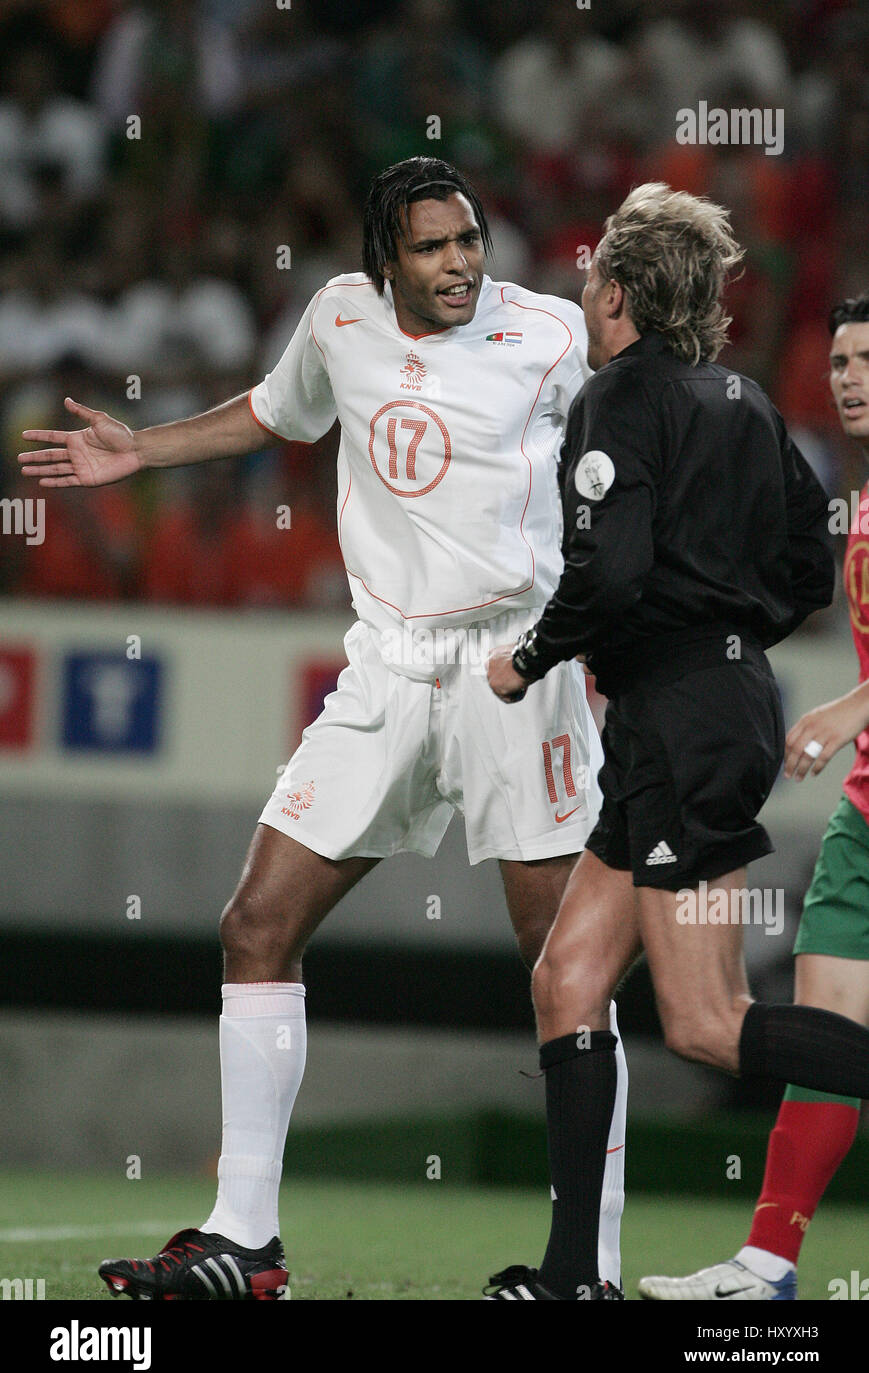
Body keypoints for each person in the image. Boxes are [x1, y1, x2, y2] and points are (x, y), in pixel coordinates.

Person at [20, 157, 628, 1301]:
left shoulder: (550, 333)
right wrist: (142, 448)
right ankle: (245, 1242)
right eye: (433, 247)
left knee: (566, 972)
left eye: (469, 241)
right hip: (384, 666)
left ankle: (583, 1267)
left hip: (516, 665)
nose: (460, 265)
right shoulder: (336, 318)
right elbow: (269, 412)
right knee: (255, 921)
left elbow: (647, 421)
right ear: (381, 260)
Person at [484, 184, 869, 1302]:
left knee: (707, 1024)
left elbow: (605, 571)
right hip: (693, 717)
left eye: (590, 269)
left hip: (682, 726)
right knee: (565, 978)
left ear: (612, 291)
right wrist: (731, 632)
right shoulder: (741, 400)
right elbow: (808, 553)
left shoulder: (617, 399)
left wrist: (529, 658)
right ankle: (569, 1281)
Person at [638, 293, 869, 1301]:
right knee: (824, 1039)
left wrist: (847, 707)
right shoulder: (858, 497)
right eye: (839, 358)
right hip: (864, 821)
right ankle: (765, 1264)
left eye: (867, 358)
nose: (847, 375)